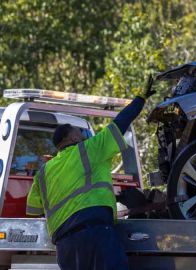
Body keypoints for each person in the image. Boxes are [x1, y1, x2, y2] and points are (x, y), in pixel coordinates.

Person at [26, 75, 156, 270]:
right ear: (72, 136)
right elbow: (120, 123)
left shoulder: (43, 172)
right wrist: (140, 99)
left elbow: (33, 210)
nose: (83, 135)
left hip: (66, 247)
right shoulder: (89, 149)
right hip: (95, 234)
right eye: (79, 132)